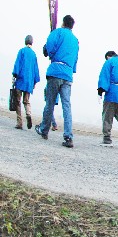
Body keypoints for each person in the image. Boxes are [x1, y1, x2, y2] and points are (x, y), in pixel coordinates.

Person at [35, 15, 79, 148]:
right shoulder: (75, 40)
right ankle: (68, 136)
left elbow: (49, 48)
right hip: (68, 74)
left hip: (55, 71)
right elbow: (75, 59)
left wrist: (48, 51)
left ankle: (44, 130)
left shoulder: (57, 32)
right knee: (67, 106)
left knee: (50, 103)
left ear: (63, 23)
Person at [11, 35, 40, 130]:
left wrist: (14, 76)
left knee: (18, 101)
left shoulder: (22, 51)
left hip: (20, 80)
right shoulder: (34, 54)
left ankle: (19, 123)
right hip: (29, 82)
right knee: (26, 101)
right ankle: (28, 114)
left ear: (25, 41)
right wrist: (34, 82)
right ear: (32, 42)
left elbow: (17, 64)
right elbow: (36, 70)